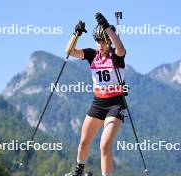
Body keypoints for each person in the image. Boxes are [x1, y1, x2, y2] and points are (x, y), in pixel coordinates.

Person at [65, 12, 127, 176]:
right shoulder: (92, 54)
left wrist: (107, 27)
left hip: (115, 104)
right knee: (84, 141)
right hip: (98, 103)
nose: (99, 44)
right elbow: (69, 50)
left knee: (104, 145)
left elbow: (121, 47)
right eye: (97, 40)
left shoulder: (116, 56)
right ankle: (79, 171)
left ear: (108, 41)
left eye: (102, 40)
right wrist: (76, 34)